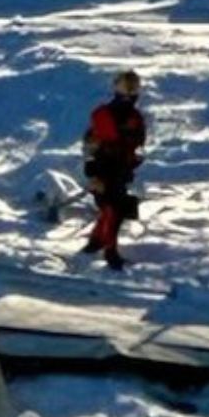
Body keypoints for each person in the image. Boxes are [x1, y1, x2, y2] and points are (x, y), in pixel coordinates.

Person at [82, 70, 147, 271]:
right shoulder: (105, 114)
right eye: (129, 89)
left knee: (112, 208)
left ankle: (96, 241)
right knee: (113, 209)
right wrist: (93, 169)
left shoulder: (133, 117)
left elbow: (137, 143)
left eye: (133, 89)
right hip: (104, 168)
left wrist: (133, 158)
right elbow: (92, 142)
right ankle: (109, 250)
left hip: (119, 169)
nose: (131, 94)